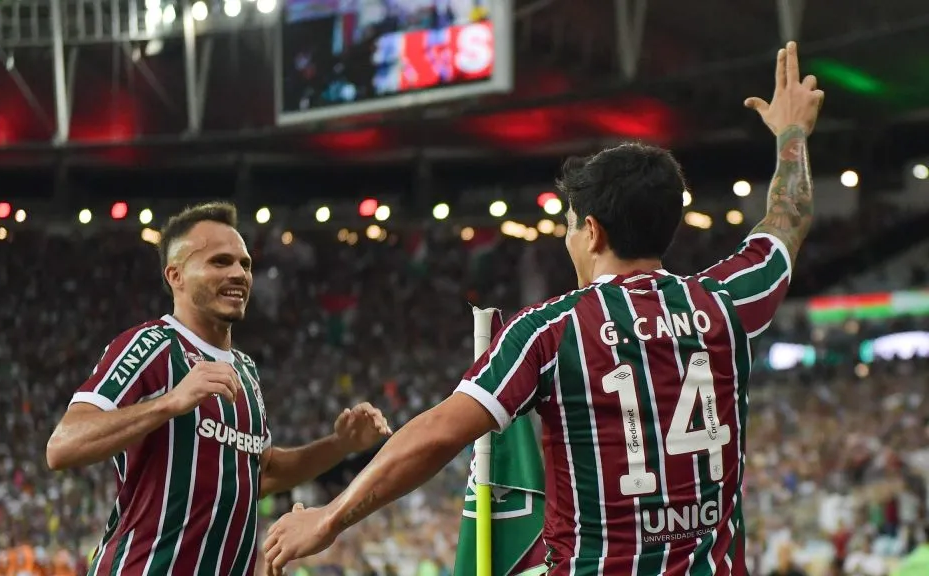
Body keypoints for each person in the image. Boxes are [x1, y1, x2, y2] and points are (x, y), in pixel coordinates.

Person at [262, 41, 824, 576]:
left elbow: (437, 432)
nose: (566, 241)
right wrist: (792, 133)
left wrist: (330, 518)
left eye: (570, 228)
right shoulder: (728, 302)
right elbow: (786, 221)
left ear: (593, 231)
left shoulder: (552, 331)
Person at [45, 202, 392, 576]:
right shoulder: (152, 346)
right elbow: (62, 446)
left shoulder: (245, 370)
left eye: (245, 264)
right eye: (220, 262)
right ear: (175, 275)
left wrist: (340, 446)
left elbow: (261, 474)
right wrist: (170, 402)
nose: (239, 274)